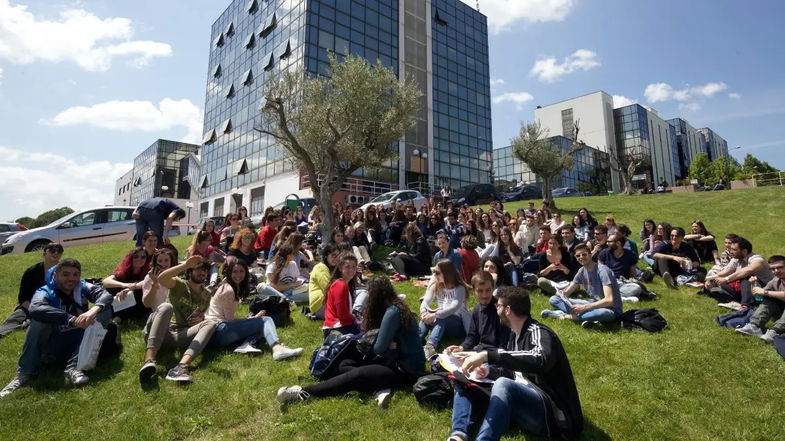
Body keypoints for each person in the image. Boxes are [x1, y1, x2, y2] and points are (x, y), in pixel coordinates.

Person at [449, 286, 583, 441]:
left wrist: (488, 355)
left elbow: (539, 359)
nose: (496, 309)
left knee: (503, 384)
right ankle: (458, 435)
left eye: (498, 306)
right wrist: (488, 372)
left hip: (549, 416)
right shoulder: (514, 335)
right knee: (463, 379)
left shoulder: (540, 332)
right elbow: (514, 372)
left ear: (508, 310)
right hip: (521, 403)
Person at [277, 276, 425, 408]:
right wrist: (388, 344)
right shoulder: (394, 306)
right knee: (345, 364)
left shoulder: (392, 312)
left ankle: (303, 392)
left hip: (405, 371)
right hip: (395, 361)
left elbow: (378, 349)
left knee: (357, 375)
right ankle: (377, 387)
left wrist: (384, 344)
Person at [1, 259, 114, 397]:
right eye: (65, 274)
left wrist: (92, 311)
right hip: (53, 345)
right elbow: (36, 308)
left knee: (105, 310)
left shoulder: (82, 286)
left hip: (78, 342)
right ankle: (25, 373)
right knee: (39, 320)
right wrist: (70, 319)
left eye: (75, 275)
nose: (71, 279)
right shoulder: (45, 291)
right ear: (55, 275)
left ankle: (73, 367)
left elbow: (106, 295)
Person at [138, 256, 217, 384]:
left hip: (180, 335)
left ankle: (180, 367)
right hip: (161, 329)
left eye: (205, 270)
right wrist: (185, 264)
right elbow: (162, 278)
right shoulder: (180, 284)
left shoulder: (207, 294)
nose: (201, 272)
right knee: (166, 307)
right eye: (197, 269)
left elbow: (201, 314)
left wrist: (201, 319)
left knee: (210, 323)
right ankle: (149, 361)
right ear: (190, 271)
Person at [205, 260, 302, 359]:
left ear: (246, 272)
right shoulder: (229, 290)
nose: (238, 275)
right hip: (218, 332)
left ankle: (247, 344)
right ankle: (277, 348)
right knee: (265, 320)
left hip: (219, 332)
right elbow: (229, 320)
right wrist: (253, 319)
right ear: (229, 273)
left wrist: (251, 320)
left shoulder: (232, 287)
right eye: (234, 272)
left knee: (262, 326)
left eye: (241, 271)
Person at [542, 244, 623, 326]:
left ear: (591, 255)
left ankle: (566, 316)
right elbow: (567, 292)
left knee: (602, 313)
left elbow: (609, 301)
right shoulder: (581, 271)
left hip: (610, 309)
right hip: (593, 303)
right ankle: (588, 318)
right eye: (578, 256)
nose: (581, 257)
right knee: (554, 299)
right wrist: (561, 293)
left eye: (584, 254)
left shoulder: (602, 271)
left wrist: (584, 307)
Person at [0, 243, 62, 338]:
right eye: (53, 250)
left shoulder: (65, 271)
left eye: (59, 250)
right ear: (44, 253)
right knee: (16, 317)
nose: (56, 253)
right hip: (30, 306)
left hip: (57, 306)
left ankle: (28, 324)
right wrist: (35, 309)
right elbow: (23, 298)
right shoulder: (32, 272)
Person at [446, 271, 510, 355]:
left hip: (493, 355)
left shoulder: (500, 310)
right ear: (473, 291)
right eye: (480, 291)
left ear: (493, 288)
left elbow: (503, 344)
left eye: (488, 290)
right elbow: (472, 336)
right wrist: (461, 348)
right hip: (478, 352)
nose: (484, 295)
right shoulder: (477, 310)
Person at [420, 259, 470, 359]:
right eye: (434, 272)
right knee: (428, 314)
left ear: (447, 273)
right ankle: (416, 340)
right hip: (441, 322)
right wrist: (423, 313)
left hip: (456, 325)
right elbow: (426, 300)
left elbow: (453, 308)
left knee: (440, 316)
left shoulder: (459, 289)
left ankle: (430, 346)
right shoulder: (437, 285)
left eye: (437, 273)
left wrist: (434, 315)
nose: (435, 275)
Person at [704, 237, 773, 308]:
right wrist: (711, 279)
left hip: (762, 292)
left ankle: (746, 306)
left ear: (744, 251)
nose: (730, 251)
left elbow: (749, 270)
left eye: (734, 250)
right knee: (714, 286)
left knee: (747, 276)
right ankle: (734, 302)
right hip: (746, 291)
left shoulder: (756, 259)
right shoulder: (736, 258)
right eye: (731, 249)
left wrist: (726, 279)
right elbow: (726, 272)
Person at [735, 255, 785, 342]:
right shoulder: (775, 281)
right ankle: (755, 326)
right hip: (781, 313)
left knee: (769, 294)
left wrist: (765, 292)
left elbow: (765, 292)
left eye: (780, 267)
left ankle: (776, 331)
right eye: (773, 269)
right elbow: (758, 297)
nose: (776, 271)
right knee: (769, 299)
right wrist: (754, 285)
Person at [102, 247, 151, 321]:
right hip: (122, 300)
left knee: (139, 292)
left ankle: (119, 318)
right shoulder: (124, 271)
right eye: (136, 256)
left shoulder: (148, 271)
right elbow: (106, 281)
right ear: (131, 258)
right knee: (110, 289)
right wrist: (124, 285)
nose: (139, 259)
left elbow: (146, 282)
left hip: (139, 303)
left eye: (143, 257)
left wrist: (129, 289)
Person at [322, 254, 361, 336]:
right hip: (337, 328)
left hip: (340, 326)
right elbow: (342, 314)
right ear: (340, 268)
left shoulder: (343, 284)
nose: (351, 270)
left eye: (354, 266)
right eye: (347, 267)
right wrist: (356, 320)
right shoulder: (340, 285)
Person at [598, 234, 645, 302]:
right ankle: (619, 297)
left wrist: (633, 282)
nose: (607, 243)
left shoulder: (630, 255)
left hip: (622, 283)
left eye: (609, 241)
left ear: (618, 243)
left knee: (637, 288)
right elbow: (600, 271)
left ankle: (615, 297)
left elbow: (633, 274)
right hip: (607, 282)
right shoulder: (604, 253)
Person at [309, 243, 341, 320]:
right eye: (333, 255)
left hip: (326, 302)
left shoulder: (333, 268)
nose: (336, 258)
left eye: (338, 256)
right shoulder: (321, 267)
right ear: (326, 256)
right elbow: (328, 288)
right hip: (320, 305)